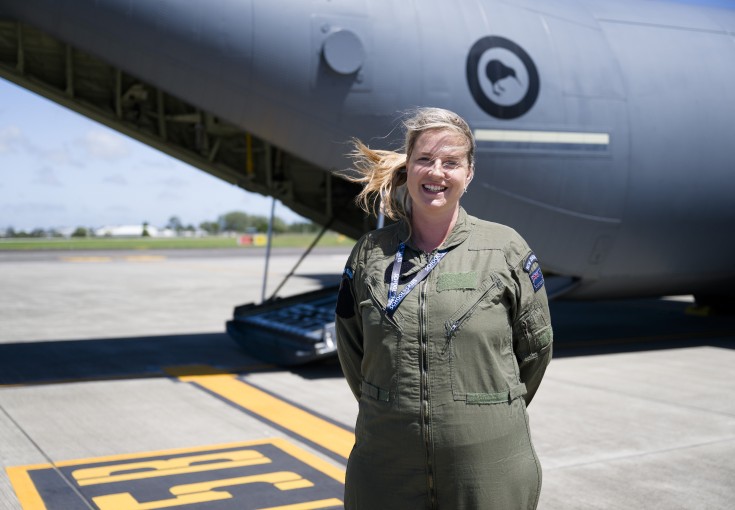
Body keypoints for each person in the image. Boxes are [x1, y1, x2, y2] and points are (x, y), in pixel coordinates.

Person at [334, 107, 553, 510]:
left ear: (468, 173)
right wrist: (392, 404)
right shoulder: (370, 254)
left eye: (451, 162)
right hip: (386, 465)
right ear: (409, 166)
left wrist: (481, 410)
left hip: (487, 466)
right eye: (425, 159)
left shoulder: (504, 249)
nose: (437, 172)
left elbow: (536, 350)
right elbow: (352, 351)